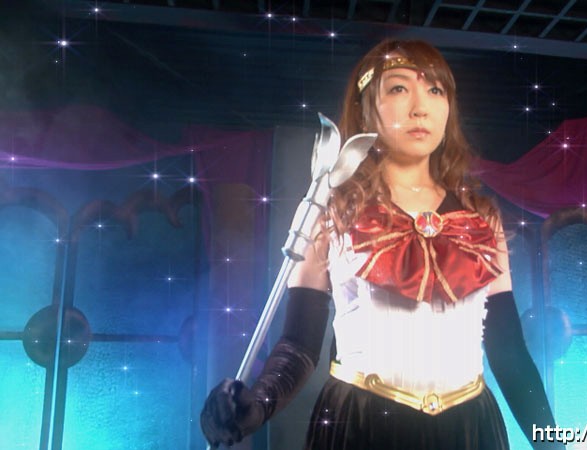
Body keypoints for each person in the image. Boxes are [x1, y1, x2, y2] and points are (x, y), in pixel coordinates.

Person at [201, 39, 565, 450]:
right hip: (360, 426)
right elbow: (299, 345)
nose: (420, 107)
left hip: (470, 430)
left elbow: (509, 352)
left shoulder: (481, 219)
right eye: (398, 88)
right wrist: (258, 403)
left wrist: (553, 444)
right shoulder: (330, 212)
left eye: (435, 90)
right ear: (365, 108)